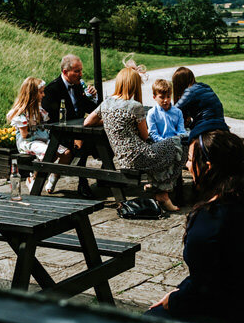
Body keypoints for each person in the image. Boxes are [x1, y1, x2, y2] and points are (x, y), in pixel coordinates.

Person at [145, 129, 244, 323]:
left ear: (208, 166)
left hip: (228, 313)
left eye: (189, 160)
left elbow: (207, 286)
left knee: (147, 322)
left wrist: (176, 299)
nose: (187, 166)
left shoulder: (211, 221)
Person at [84, 66, 184, 212]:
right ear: (134, 85)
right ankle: (163, 192)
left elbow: (87, 122)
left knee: (170, 149)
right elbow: (145, 136)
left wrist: (111, 120)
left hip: (123, 159)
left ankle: (162, 192)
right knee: (180, 145)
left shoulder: (106, 103)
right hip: (140, 156)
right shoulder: (135, 107)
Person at [42, 54, 99, 197]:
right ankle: (83, 183)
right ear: (65, 72)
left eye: (81, 71)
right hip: (59, 133)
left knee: (102, 141)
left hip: (79, 131)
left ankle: (105, 178)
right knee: (83, 143)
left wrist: (94, 96)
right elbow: (51, 119)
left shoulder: (79, 85)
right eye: (77, 71)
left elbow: (90, 108)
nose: (80, 74)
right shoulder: (52, 89)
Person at [6, 76, 73, 193]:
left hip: (41, 139)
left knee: (66, 153)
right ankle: (33, 178)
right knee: (49, 153)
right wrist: (30, 125)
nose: (44, 95)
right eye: (41, 92)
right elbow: (25, 135)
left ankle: (53, 178)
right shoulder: (21, 113)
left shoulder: (39, 109)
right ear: (32, 94)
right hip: (28, 142)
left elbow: (45, 124)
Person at [171, 67, 230, 140]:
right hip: (220, 123)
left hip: (206, 126)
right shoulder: (204, 86)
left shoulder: (189, 92)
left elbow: (173, 111)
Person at [146, 78, 188, 142]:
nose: (166, 100)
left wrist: (176, 140)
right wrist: (167, 143)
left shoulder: (178, 112)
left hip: (177, 141)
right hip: (160, 143)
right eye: (162, 97)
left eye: (168, 97)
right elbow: (154, 134)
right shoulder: (152, 114)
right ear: (154, 97)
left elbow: (181, 131)